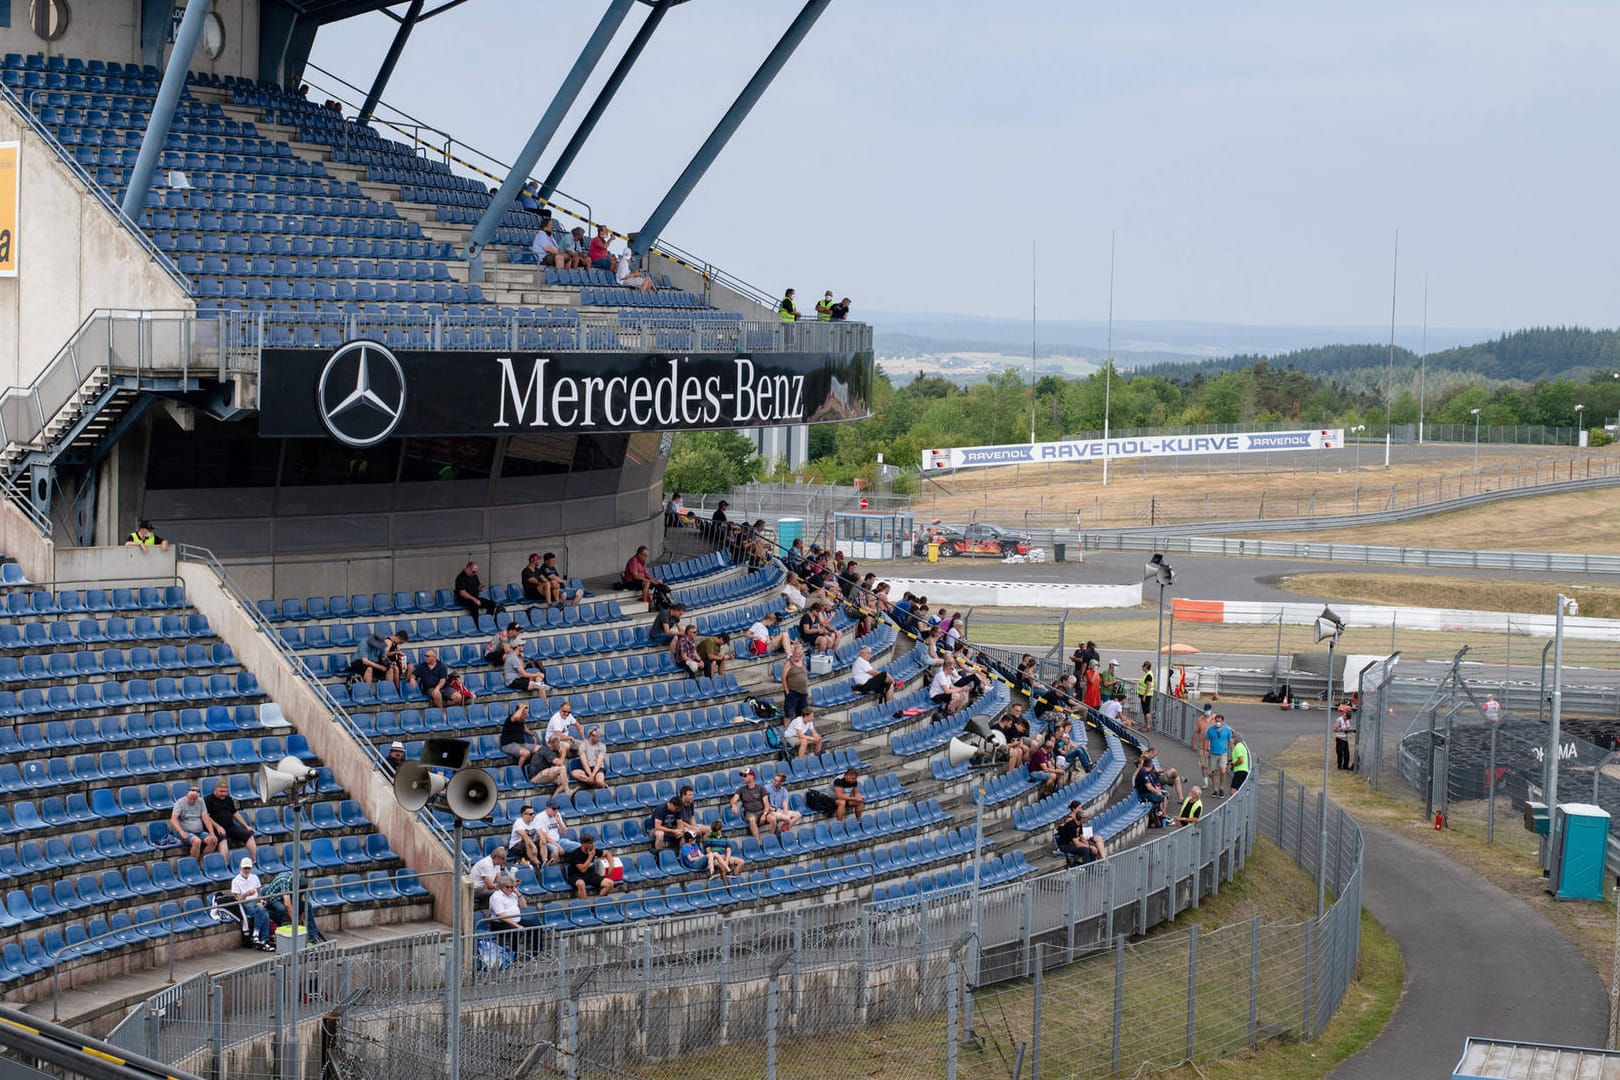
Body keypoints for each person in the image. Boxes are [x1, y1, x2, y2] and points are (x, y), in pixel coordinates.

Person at [488, 874, 544, 954]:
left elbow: (524, 906)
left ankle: (537, 953)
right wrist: (517, 926)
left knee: (537, 926)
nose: (511, 889)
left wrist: (518, 893)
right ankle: (515, 957)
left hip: (516, 920)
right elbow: (502, 916)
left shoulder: (513, 894)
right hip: (500, 923)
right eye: (509, 887)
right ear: (502, 887)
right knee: (516, 931)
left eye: (512, 887)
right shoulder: (496, 897)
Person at [205, 778, 256, 862]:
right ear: (215, 790)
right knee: (223, 840)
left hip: (230, 826)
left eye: (225, 792)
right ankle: (225, 864)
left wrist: (246, 826)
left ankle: (253, 861)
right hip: (216, 829)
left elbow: (235, 813)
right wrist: (217, 827)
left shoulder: (228, 799)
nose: (224, 794)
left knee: (249, 835)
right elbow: (206, 817)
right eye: (221, 791)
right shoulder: (208, 800)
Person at [231, 858, 276, 951]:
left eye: (248, 868)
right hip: (245, 903)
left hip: (256, 901)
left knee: (264, 911)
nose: (247, 870)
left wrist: (261, 900)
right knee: (263, 911)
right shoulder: (235, 881)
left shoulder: (254, 877)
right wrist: (246, 894)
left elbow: (259, 893)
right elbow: (238, 900)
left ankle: (262, 940)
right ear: (241, 868)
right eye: (245, 868)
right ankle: (260, 937)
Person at [170, 786, 219, 858]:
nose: (192, 801)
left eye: (194, 799)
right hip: (184, 831)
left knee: (213, 841)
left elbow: (205, 817)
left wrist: (212, 833)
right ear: (187, 795)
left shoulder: (201, 801)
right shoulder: (180, 802)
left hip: (199, 832)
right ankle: (194, 864)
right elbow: (173, 819)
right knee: (197, 841)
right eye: (190, 799)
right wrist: (181, 832)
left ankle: (200, 861)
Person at [563, 834, 613, 899]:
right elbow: (582, 869)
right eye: (590, 843)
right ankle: (585, 906)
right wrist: (590, 857)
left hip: (589, 874)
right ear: (583, 843)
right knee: (581, 884)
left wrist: (611, 867)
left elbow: (607, 854)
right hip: (576, 875)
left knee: (609, 883)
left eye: (592, 843)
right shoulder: (576, 854)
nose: (592, 845)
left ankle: (598, 902)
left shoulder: (592, 850)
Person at [1054, 801, 1105, 865]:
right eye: (1086, 818)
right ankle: (1088, 868)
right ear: (1081, 819)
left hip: (1073, 843)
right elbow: (1076, 843)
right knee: (1086, 849)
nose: (1087, 820)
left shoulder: (1079, 824)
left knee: (1092, 845)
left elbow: (1082, 837)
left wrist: (1090, 845)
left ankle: (1094, 866)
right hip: (1065, 845)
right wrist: (1089, 847)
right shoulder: (1071, 825)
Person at [730, 767, 772, 843]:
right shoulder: (741, 789)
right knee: (752, 820)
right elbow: (734, 799)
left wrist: (764, 814)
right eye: (742, 776)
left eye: (745, 776)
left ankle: (771, 840)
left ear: (751, 777)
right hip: (750, 813)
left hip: (762, 811)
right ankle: (758, 843)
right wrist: (733, 805)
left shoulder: (760, 788)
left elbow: (766, 804)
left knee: (773, 818)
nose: (743, 778)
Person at [500, 703, 538, 769]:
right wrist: (521, 707)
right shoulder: (510, 719)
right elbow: (516, 717)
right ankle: (519, 771)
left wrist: (532, 735)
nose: (527, 715)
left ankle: (535, 768)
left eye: (527, 713)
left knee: (540, 748)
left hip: (521, 744)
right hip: (508, 745)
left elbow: (524, 728)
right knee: (526, 753)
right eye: (525, 714)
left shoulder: (521, 722)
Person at [1204, 715, 1233, 797]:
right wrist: (1206, 750)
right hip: (1213, 753)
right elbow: (1206, 739)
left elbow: (1230, 741)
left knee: (1223, 771)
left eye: (1219, 721)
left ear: (1222, 721)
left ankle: (1221, 787)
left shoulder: (1227, 730)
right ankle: (1215, 789)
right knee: (1214, 771)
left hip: (1223, 753)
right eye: (1216, 721)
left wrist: (1233, 751)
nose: (1218, 723)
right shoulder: (1210, 730)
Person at [781, 644, 811, 721]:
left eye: (799, 653)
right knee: (789, 714)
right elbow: (783, 678)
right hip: (792, 692)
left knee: (803, 714)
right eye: (796, 653)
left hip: (803, 693)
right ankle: (786, 731)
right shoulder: (788, 664)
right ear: (793, 653)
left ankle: (800, 730)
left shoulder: (803, 662)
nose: (798, 655)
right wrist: (787, 691)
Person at [1134, 754, 1166, 823]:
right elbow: (1149, 788)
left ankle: (1162, 815)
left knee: (1164, 794)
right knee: (1163, 797)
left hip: (1147, 792)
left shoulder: (1147, 772)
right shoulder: (1143, 773)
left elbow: (1153, 785)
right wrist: (1157, 792)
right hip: (1144, 794)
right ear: (1151, 766)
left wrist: (1158, 790)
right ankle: (1163, 816)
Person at [1333, 706, 1353, 771]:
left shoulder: (1347, 722)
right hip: (1339, 739)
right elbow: (1335, 729)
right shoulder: (1339, 720)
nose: (1345, 717)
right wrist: (1341, 729)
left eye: (1346, 717)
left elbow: (1348, 729)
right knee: (1340, 753)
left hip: (1345, 739)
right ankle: (1339, 766)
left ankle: (1345, 766)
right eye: (1345, 716)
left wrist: (1349, 730)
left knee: (1347, 753)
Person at [1137, 662, 1156, 730]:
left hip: (1146, 696)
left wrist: (1144, 696)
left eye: (1143, 666)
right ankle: (1145, 725)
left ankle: (1147, 726)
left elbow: (1149, 686)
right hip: (1144, 695)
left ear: (1146, 666)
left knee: (1146, 711)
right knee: (1145, 711)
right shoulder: (1147, 674)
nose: (1142, 667)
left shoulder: (1148, 675)